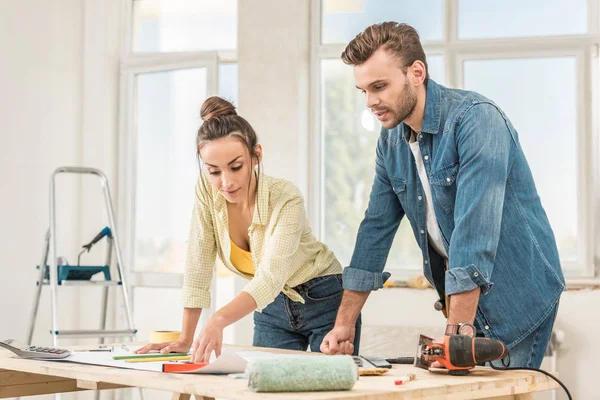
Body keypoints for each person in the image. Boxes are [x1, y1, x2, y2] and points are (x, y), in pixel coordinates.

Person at [320, 22, 565, 368]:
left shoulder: (476, 121)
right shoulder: (391, 144)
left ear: (416, 72)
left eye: (379, 86)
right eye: (364, 91)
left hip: (519, 295)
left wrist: (457, 334)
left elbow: (473, 233)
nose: (371, 102)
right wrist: (344, 324)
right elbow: (374, 230)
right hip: (465, 300)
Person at [136, 96, 360, 363]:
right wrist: (186, 337)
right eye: (214, 171)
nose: (226, 182)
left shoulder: (285, 197)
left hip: (324, 299)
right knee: (263, 388)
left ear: (256, 155)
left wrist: (218, 320)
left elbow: (271, 276)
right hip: (271, 307)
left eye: (236, 167)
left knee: (329, 389)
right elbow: (198, 263)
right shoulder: (207, 193)